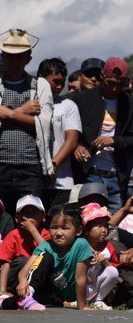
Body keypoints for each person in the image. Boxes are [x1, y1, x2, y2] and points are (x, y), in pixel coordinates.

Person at [0, 29, 54, 215]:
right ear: (3, 57)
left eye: (19, 56)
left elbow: (43, 125)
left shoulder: (40, 86)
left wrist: (10, 114)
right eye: (10, 56)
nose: (14, 61)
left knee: (28, 220)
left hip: (30, 167)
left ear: (28, 58)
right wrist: (23, 112)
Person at [67, 57, 132, 213]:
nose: (115, 89)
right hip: (89, 173)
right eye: (111, 83)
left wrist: (113, 140)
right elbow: (64, 126)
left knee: (112, 228)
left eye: (120, 85)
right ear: (103, 76)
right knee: (88, 221)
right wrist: (76, 145)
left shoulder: (129, 104)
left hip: (116, 177)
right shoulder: (81, 99)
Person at [0, 195, 49, 310]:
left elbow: (48, 251)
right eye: (25, 214)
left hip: (34, 279)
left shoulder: (45, 233)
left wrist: (33, 230)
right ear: (17, 218)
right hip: (13, 280)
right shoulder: (14, 235)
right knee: (24, 261)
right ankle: (0, 295)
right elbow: (5, 262)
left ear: (43, 217)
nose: (29, 217)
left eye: (33, 213)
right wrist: (2, 290)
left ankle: (29, 297)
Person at [15, 205, 93, 310]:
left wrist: (82, 306)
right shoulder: (45, 246)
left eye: (65, 228)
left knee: (12, 303)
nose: (59, 233)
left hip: (59, 299)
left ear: (78, 231)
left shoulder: (81, 244)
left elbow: (80, 279)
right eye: (54, 227)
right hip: (40, 293)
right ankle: (24, 297)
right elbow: (25, 270)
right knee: (46, 256)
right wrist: (23, 280)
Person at [38, 58, 81, 206]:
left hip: (61, 182)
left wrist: (53, 165)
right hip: (34, 181)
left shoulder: (68, 106)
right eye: (55, 81)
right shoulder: (31, 104)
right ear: (41, 79)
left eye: (62, 83)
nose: (59, 87)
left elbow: (72, 140)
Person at [80, 202, 120, 310]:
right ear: (87, 230)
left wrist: (104, 262)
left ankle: (98, 300)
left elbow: (114, 268)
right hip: (79, 287)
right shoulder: (79, 244)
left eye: (105, 226)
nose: (103, 230)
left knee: (112, 271)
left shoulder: (108, 247)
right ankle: (77, 299)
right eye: (99, 226)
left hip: (94, 286)